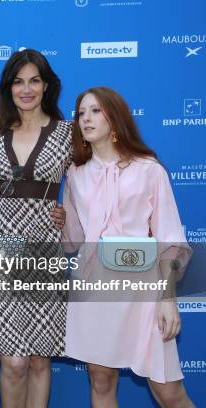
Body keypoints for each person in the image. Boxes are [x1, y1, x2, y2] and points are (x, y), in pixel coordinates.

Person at [63, 86, 194, 408]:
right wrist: (59, 218)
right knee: (100, 378)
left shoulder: (149, 170)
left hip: (142, 290)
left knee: (168, 390)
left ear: (116, 117)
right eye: (81, 113)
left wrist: (167, 299)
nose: (86, 119)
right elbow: (73, 241)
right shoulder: (75, 174)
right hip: (93, 286)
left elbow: (169, 240)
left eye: (95, 111)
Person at [0, 49, 73, 408]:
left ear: (46, 86)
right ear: (8, 88)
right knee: (12, 361)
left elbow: (87, 185)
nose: (26, 89)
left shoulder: (67, 133)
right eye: (18, 82)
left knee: (38, 359)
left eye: (34, 80)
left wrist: (68, 214)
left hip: (44, 247)